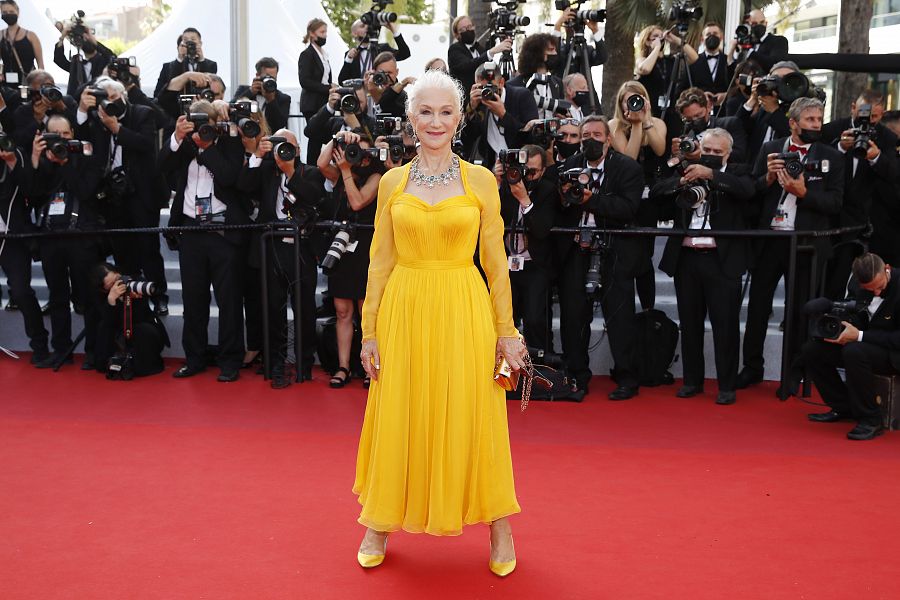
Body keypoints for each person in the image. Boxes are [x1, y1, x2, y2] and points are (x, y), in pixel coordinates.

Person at [354, 68, 524, 576]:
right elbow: (379, 261)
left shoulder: (479, 180)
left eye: (445, 112)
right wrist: (368, 330)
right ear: (410, 118)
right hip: (404, 309)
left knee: (474, 413)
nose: (435, 121)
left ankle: (499, 525)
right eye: (425, 111)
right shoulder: (392, 182)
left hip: (463, 308)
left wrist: (506, 331)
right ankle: (379, 520)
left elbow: (496, 263)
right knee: (398, 410)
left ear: (459, 117)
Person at [737, 97, 844, 394]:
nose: (816, 125)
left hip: (807, 244)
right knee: (758, 307)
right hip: (770, 239)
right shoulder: (771, 149)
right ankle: (752, 368)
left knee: (799, 310)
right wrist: (767, 179)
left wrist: (803, 192)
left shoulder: (832, 157)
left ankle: (792, 373)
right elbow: (752, 192)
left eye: (819, 119)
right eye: (810, 120)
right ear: (793, 122)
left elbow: (836, 203)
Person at [651, 128, 753, 405]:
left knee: (726, 325)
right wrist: (683, 179)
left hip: (722, 260)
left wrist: (713, 176)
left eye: (717, 153)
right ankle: (692, 381)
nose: (710, 157)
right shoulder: (687, 169)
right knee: (690, 323)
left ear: (728, 154)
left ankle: (727, 385)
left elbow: (748, 190)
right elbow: (657, 190)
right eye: (706, 151)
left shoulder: (738, 171)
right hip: (687, 258)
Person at [556, 114, 645, 399]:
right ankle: (576, 376)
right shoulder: (569, 165)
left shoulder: (627, 168)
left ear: (608, 138)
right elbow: (559, 206)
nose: (590, 140)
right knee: (573, 316)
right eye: (585, 136)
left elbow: (628, 208)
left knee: (619, 316)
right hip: (576, 250)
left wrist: (589, 200)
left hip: (614, 250)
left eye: (596, 135)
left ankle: (627, 376)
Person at [160, 100, 247, 383]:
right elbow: (161, 166)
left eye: (205, 122)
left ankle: (230, 360)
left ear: (216, 123)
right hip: (191, 231)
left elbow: (230, 176)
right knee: (192, 299)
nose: (200, 128)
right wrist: (177, 137)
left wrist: (207, 147)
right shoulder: (183, 144)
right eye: (195, 122)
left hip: (222, 232)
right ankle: (194, 358)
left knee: (229, 300)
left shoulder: (229, 144)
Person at [75, 76, 169, 315]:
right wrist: (83, 109)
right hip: (113, 195)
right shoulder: (98, 117)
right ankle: (129, 295)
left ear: (123, 96)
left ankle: (158, 295)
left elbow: (145, 143)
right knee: (122, 249)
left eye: (114, 98)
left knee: (148, 248)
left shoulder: (142, 113)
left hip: (141, 193)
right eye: (106, 99)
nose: (111, 103)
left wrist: (116, 127)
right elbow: (82, 135)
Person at [239, 129, 324, 388]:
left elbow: (313, 195)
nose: (284, 150)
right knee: (272, 309)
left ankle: (304, 363)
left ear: (298, 149)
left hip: (301, 250)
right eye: (279, 145)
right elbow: (243, 186)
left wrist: (289, 171)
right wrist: (257, 155)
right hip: (270, 247)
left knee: (304, 309)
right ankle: (275, 363)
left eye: (289, 145)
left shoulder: (309, 172)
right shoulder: (265, 170)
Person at [29, 115, 105, 369]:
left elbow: (85, 191)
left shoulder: (87, 157)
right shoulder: (44, 162)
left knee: (89, 296)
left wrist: (65, 163)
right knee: (57, 296)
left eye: (65, 135)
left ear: (73, 133)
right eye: (55, 136)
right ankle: (61, 349)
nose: (61, 140)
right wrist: (38, 160)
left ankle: (94, 351)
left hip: (82, 237)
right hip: (51, 238)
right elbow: (34, 193)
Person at [802, 253, 899, 440]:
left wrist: (860, 335)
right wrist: (843, 330)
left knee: (854, 351)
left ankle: (871, 418)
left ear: (887, 268)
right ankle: (842, 406)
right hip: (868, 342)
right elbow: (859, 313)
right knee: (812, 350)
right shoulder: (857, 286)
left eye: (880, 287)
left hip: (893, 353)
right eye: (871, 290)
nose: (876, 293)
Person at [317, 130, 382, 388]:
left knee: (366, 312)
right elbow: (321, 164)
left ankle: (369, 368)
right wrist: (336, 139)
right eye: (355, 150)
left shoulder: (377, 177)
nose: (359, 156)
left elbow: (357, 202)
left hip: (367, 248)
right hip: (342, 248)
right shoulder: (343, 173)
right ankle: (343, 367)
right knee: (343, 311)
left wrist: (345, 170)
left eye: (363, 152)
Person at [820, 89, 899, 300]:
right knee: (825, 278)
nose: (869, 121)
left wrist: (876, 157)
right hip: (830, 219)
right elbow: (817, 163)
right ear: (853, 107)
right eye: (864, 115)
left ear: (882, 115)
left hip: (866, 222)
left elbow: (894, 174)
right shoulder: (832, 130)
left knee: (856, 282)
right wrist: (839, 147)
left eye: (874, 117)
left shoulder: (888, 138)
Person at [608, 81, 667, 312]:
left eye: (638, 98)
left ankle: (648, 310)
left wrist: (645, 121)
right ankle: (623, 309)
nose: (634, 103)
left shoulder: (657, 123)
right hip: (624, 196)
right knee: (624, 253)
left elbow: (660, 150)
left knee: (646, 255)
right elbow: (629, 160)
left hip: (649, 199)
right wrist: (634, 125)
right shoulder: (614, 125)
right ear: (621, 104)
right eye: (629, 100)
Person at [494, 144, 557, 353]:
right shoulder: (504, 186)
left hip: (534, 265)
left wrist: (524, 200)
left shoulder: (548, 190)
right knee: (503, 319)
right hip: (505, 264)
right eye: (524, 170)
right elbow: (488, 218)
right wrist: (495, 183)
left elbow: (541, 229)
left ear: (543, 171)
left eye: (533, 172)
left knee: (535, 319)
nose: (527, 176)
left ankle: (540, 371)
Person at [0, 140, 48, 364]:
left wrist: (11, 163)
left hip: (13, 237)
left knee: (20, 291)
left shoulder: (14, 151)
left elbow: (32, 191)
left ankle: (39, 345)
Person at [91, 263, 169, 377]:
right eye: (112, 284)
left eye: (117, 278)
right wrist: (112, 301)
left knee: (143, 329)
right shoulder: (100, 296)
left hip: (140, 327)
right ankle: (112, 362)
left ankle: (142, 365)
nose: (117, 284)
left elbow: (141, 315)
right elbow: (109, 324)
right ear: (104, 290)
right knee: (103, 326)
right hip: (118, 334)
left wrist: (130, 299)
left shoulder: (135, 282)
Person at [461, 62, 538, 169]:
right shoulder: (479, 102)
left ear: (501, 82)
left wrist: (503, 115)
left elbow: (532, 136)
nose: (486, 92)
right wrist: (471, 109)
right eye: (482, 88)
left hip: (521, 165)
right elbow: (467, 139)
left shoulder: (521, 96)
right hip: (493, 169)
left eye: (490, 87)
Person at [634, 25, 698, 120]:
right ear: (647, 41)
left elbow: (694, 58)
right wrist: (656, 47)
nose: (660, 38)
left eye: (661, 35)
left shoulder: (670, 60)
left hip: (671, 110)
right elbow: (645, 69)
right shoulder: (642, 60)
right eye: (655, 36)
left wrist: (676, 40)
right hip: (650, 111)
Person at [673, 86, 748, 164]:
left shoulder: (729, 124)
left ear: (708, 107)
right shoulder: (686, 134)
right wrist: (676, 156)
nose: (695, 121)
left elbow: (740, 157)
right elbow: (672, 166)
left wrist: (703, 155)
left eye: (698, 115)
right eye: (688, 119)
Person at [447, 15, 511, 101]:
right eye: (463, 29)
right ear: (457, 34)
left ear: (474, 27)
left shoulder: (479, 48)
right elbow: (468, 65)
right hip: (465, 100)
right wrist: (491, 52)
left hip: (485, 97)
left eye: (469, 26)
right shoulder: (454, 49)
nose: (468, 30)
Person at [507, 33, 566, 120]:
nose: (555, 53)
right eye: (551, 50)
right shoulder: (514, 84)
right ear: (537, 53)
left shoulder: (556, 83)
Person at [298, 18, 333, 164]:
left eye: (326, 32)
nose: (325, 35)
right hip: (312, 104)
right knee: (315, 137)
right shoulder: (307, 54)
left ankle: (316, 167)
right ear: (312, 34)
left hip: (323, 103)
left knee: (318, 138)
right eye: (322, 32)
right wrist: (328, 88)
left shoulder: (324, 54)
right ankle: (312, 168)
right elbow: (305, 81)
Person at [338, 19, 410, 83]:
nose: (367, 28)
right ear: (354, 33)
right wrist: (349, 59)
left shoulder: (383, 48)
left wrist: (394, 31)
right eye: (362, 26)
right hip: (361, 95)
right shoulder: (350, 55)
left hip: (383, 94)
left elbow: (405, 54)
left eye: (368, 26)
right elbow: (342, 81)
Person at [153, 28, 218, 99]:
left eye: (193, 40)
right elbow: (159, 93)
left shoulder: (211, 65)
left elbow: (212, 87)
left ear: (200, 43)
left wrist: (201, 60)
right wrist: (180, 58)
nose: (189, 43)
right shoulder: (167, 67)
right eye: (186, 40)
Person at [232, 57, 292, 132]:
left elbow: (279, 125)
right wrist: (250, 92)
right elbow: (231, 108)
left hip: (270, 139)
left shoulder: (283, 98)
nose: (270, 81)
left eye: (273, 79)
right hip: (246, 135)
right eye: (267, 78)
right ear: (258, 75)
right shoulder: (244, 90)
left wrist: (271, 100)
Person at [53, 22, 113, 93]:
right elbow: (59, 60)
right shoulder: (77, 62)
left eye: (87, 38)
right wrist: (62, 37)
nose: (85, 40)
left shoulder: (102, 60)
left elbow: (111, 56)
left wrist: (92, 39)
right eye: (83, 38)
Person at [681, 22, 731, 105]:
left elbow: (735, 87)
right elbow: (683, 89)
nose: (712, 36)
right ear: (702, 39)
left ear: (721, 37)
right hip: (700, 108)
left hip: (723, 110)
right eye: (708, 34)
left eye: (715, 33)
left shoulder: (728, 60)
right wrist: (700, 96)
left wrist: (726, 95)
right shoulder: (693, 61)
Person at [728, 9, 788, 73]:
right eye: (754, 23)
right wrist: (731, 51)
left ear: (766, 23)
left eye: (762, 22)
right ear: (749, 25)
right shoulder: (747, 43)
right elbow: (735, 72)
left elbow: (775, 64)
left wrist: (749, 52)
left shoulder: (779, 41)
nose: (759, 25)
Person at [0, 0, 43, 85]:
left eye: (11, 11)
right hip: (7, 83)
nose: (8, 14)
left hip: (28, 81)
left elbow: (41, 64)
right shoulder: (1, 35)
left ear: (18, 12)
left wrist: (40, 82)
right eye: (4, 12)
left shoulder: (31, 36)